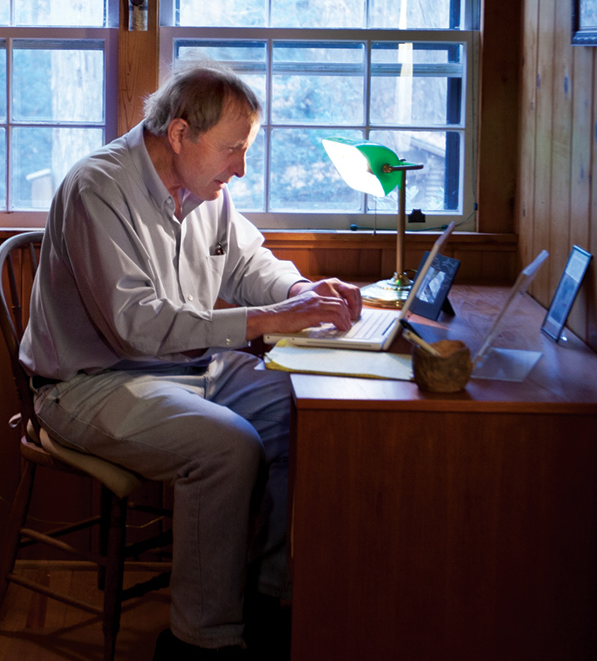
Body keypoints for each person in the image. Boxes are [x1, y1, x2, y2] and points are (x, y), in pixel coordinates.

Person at [19, 63, 361, 659]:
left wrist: (302, 293)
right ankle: (202, 641)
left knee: (306, 413)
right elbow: (138, 326)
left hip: (188, 370)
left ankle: (265, 601)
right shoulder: (97, 188)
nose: (241, 168)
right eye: (233, 150)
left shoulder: (205, 193)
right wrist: (266, 322)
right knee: (227, 446)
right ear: (180, 135)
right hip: (88, 384)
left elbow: (250, 266)